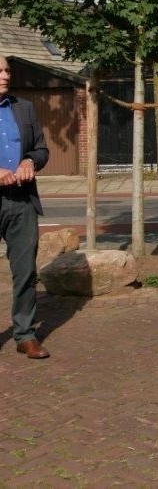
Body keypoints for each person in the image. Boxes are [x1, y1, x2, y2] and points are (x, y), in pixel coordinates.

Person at [0, 56, 50, 359]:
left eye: (6, 70)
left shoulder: (24, 108)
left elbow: (42, 149)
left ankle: (25, 333)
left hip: (21, 200)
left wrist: (31, 161)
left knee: (25, 270)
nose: (5, 75)